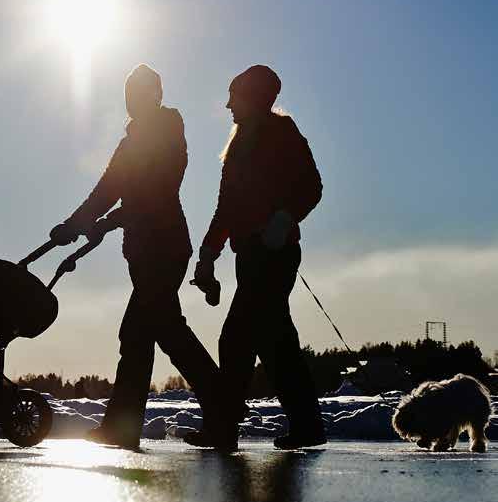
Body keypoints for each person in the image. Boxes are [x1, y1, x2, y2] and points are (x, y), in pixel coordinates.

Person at [50, 64, 226, 451]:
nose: (133, 100)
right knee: (155, 332)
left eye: (141, 92)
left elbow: (156, 190)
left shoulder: (167, 131)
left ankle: (211, 406)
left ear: (156, 95)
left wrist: (107, 221)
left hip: (164, 246)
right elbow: (108, 187)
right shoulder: (130, 142)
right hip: (145, 250)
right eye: (129, 93)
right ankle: (212, 407)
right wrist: (74, 224)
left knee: (148, 332)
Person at [189, 65, 326, 451]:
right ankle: (306, 425)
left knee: (236, 339)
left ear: (255, 97)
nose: (228, 104)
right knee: (275, 341)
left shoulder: (283, 134)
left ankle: (224, 427)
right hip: (249, 256)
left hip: (276, 253)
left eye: (235, 96)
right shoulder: (236, 148)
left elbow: (312, 187)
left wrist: (284, 218)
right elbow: (226, 208)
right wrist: (207, 255)